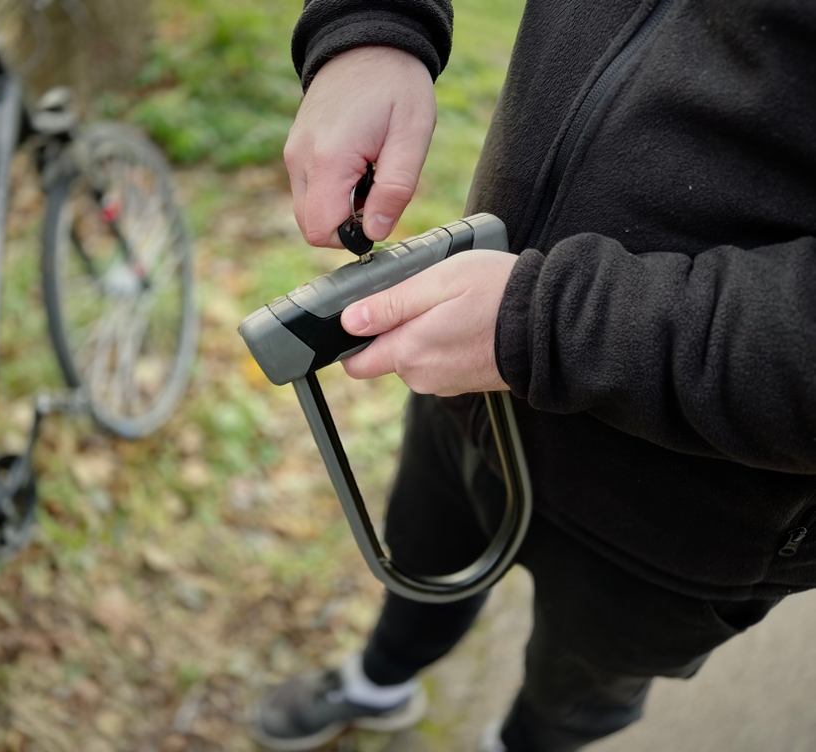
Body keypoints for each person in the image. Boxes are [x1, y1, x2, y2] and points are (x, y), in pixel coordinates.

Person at [248, 0, 816, 750]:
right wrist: (372, 30)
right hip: (471, 387)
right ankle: (379, 683)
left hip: (700, 513)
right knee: (421, 558)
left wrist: (545, 323)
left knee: (578, 686)